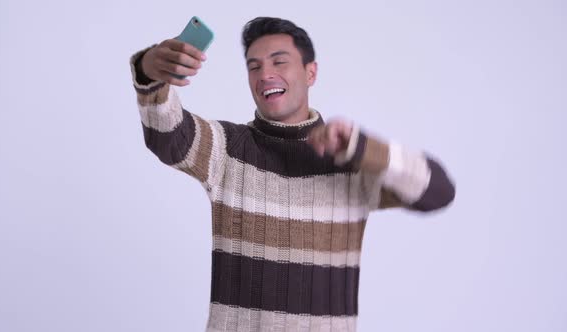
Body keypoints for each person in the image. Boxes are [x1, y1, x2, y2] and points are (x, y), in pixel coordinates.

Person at [130, 16, 455, 332]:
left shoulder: (351, 161)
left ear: (310, 72)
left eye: (279, 62)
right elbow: (169, 137)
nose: (265, 74)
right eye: (254, 66)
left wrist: (363, 148)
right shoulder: (227, 149)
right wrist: (149, 73)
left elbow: (438, 191)